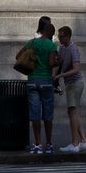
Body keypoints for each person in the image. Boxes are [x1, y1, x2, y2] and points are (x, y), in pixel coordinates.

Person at [23, 15, 59, 155]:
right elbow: (51, 63)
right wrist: (59, 61)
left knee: (35, 114)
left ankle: (38, 143)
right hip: (46, 81)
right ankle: (48, 143)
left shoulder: (31, 43)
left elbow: (18, 56)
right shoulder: (51, 45)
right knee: (47, 114)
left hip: (32, 80)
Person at [57, 24, 86, 154]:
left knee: (73, 112)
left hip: (75, 83)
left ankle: (75, 143)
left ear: (68, 36)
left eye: (62, 36)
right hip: (70, 84)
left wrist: (60, 75)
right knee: (72, 112)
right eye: (59, 36)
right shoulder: (62, 48)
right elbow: (59, 63)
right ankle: (83, 141)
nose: (60, 39)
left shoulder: (73, 49)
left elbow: (76, 69)